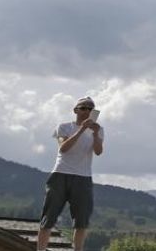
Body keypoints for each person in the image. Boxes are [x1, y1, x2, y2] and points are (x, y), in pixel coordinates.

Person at [37, 96, 104, 251]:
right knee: (48, 217)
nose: (87, 111)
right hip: (60, 174)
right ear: (76, 110)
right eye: (83, 108)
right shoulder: (64, 127)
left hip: (83, 177)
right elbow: (63, 148)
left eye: (90, 108)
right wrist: (82, 129)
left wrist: (94, 134)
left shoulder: (99, 129)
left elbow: (98, 151)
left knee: (82, 221)